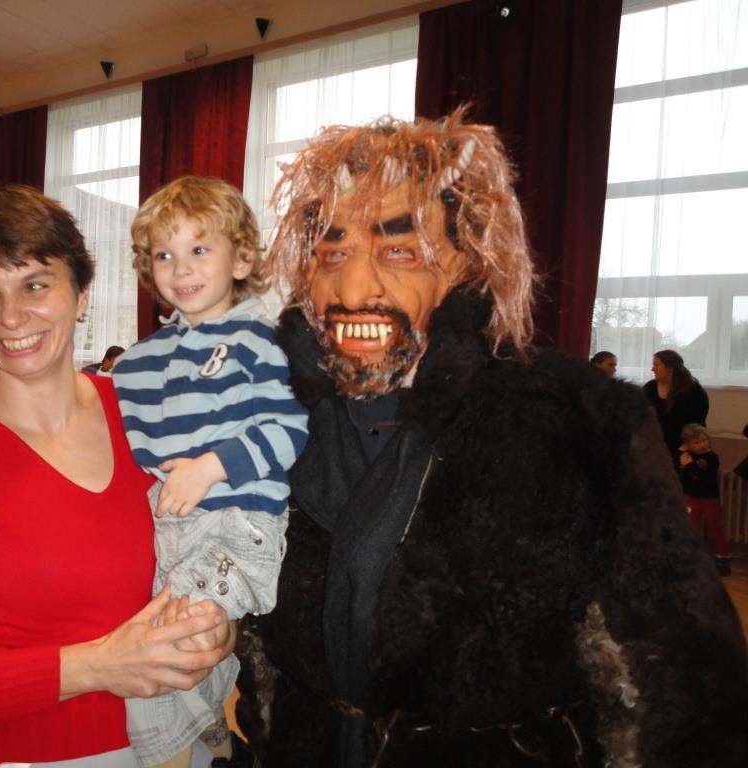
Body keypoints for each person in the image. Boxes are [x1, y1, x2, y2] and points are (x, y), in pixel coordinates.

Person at [233, 112, 748, 767]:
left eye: (399, 252)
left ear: (467, 264)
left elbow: (682, 684)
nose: (355, 288)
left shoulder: (578, 418)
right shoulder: (267, 414)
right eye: (334, 254)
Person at [0, 185, 233, 768]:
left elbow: (226, 551)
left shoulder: (153, 417)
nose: (10, 317)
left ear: (82, 295)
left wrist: (218, 630)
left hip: (180, 746)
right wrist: (92, 667)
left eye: (34, 285)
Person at [113, 176, 308, 768]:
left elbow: (290, 427)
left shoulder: (261, 338)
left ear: (241, 258)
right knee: (186, 641)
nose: (181, 269)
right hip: (168, 527)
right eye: (163, 255)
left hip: (237, 527)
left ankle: (174, 754)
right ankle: (214, 739)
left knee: (158, 650)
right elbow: (115, 436)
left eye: (199, 249)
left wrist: (212, 467)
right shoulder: (140, 360)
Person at [678, 423, 732, 576]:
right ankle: (693, 558)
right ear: (688, 444)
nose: (702, 444)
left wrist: (690, 465)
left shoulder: (712, 457)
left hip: (710, 500)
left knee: (715, 529)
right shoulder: (687, 457)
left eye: (704, 440)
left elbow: (707, 478)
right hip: (692, 498)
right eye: (696, 442)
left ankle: (723, 558)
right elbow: (683, 479)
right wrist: (682, 460)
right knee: (692, 528)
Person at [643, 349, 709, 464]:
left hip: (683, 449)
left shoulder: (694, 391)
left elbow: (697, 424)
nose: (652, 369)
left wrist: (685, 449)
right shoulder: (650, 388)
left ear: (670, 368)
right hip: (654, 447)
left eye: (656, 365)